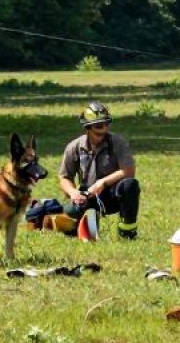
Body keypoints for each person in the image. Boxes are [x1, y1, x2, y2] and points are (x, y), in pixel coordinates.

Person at [58, 101, 140, 239]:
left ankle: (127, 231)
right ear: (87, 127)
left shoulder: (118, 143)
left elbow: (128, 171)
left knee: (130, 185)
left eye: (106, 124)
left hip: (113, 195)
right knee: (67, 225)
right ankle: (87, 222)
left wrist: (103, 182)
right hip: (88, 196)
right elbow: (64, 177)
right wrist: (74, 193)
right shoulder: (74, 147)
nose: (104, 129)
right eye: (99, 125)